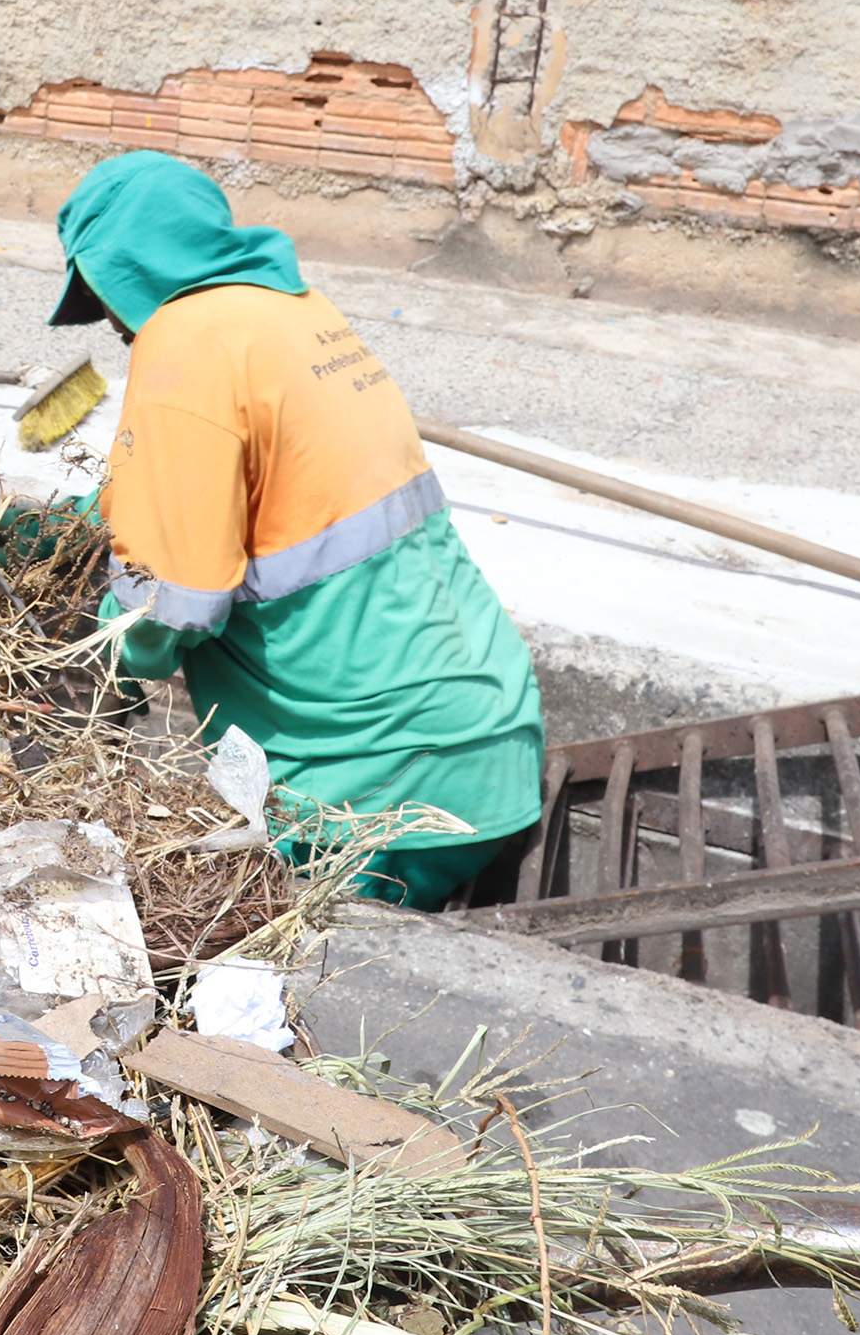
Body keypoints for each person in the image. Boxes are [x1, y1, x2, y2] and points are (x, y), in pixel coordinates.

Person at [50, 152, 544, 908]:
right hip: (493, 738)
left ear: (121, 267)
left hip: (376, 795)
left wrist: (89, 643)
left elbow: (169, 607)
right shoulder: (297, 311)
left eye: (99, 293)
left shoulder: (182, 341)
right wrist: (83, 519)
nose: (112, 323)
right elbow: (270, 482)